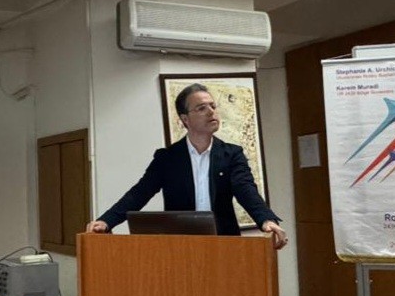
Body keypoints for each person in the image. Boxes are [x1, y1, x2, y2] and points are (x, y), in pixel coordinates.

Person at [86, 83, 288, 249]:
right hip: (180, 245)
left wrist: (266, 220)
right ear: (185, 119)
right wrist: (107, 221)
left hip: (224, 243)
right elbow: (139, 193)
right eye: (201, 108)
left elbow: (246, 190)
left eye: (213, 106)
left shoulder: (232, 154)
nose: (211, 111)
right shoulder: (167, 158)